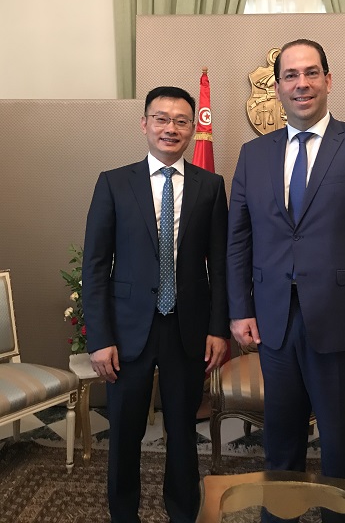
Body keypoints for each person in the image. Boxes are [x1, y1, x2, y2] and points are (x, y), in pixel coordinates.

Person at [227, 40, 345, 493]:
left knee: (339, 442)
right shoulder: (253, 155)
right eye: (290, 75)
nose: (301, 83)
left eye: (311, 73)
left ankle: (341, 515)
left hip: (342, 321)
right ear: (278, 88)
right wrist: (240, 309)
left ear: (328, 80)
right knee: (279, 439)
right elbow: (238, 241)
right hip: (274, 322)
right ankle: (278, 515)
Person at [82, 86, 229, 523]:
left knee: (182, 432)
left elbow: (220, 266)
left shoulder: (211, 186)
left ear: (192, 128)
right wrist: (100, 338)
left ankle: (183, 513)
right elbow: (95, 266)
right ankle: (123, 515)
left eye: (181, 121)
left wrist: (218, 328)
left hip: (188, 328)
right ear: (144, 124)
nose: (171, 128)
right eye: (161, 119)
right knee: (124, 434)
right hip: (127, 332)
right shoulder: (114, 183)